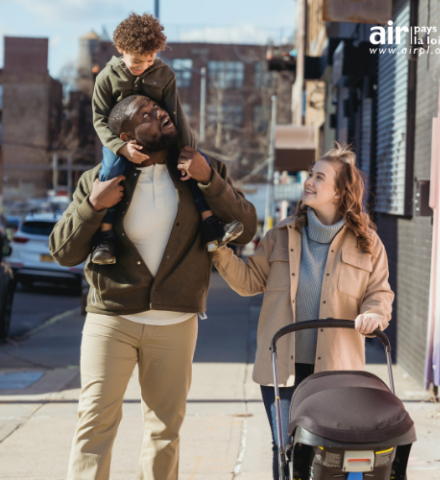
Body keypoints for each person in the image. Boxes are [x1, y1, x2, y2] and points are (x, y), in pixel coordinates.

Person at [49, 94, 257, 480]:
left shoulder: (203, 169)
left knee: (165, 432)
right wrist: (92, 205)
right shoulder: (99, 179)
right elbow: (63, 251)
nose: (160, 113)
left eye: (160, 109)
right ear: (126, 135)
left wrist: (209, 179)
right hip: (111, 320)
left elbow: (247, 225)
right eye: (147, 114)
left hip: (176, 324)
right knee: (94, 424)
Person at [212, 143, 394, 479]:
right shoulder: (281, 235)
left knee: (329, 452)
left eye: (319, 177)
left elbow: (379, 293)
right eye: (310, 174)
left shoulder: (368, 243)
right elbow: (249, 281)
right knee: (285, 448)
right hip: (282, 369)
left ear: (339, 192)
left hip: (337, 371)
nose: (308, 181)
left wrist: (374, 315)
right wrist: (220, 252)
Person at [92, 12, 243, 264]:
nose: (144, 66)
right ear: (120, 49)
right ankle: (105, 239)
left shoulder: (164, 74)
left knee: (194, 166)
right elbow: (99, 119)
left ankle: (210, 225)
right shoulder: (106, 78)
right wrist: (121, 147)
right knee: (110, 172)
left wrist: (188, 150)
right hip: (122, 142)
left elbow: (177, 114)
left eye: (150, 59)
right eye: (137, 61)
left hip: (160, 138)